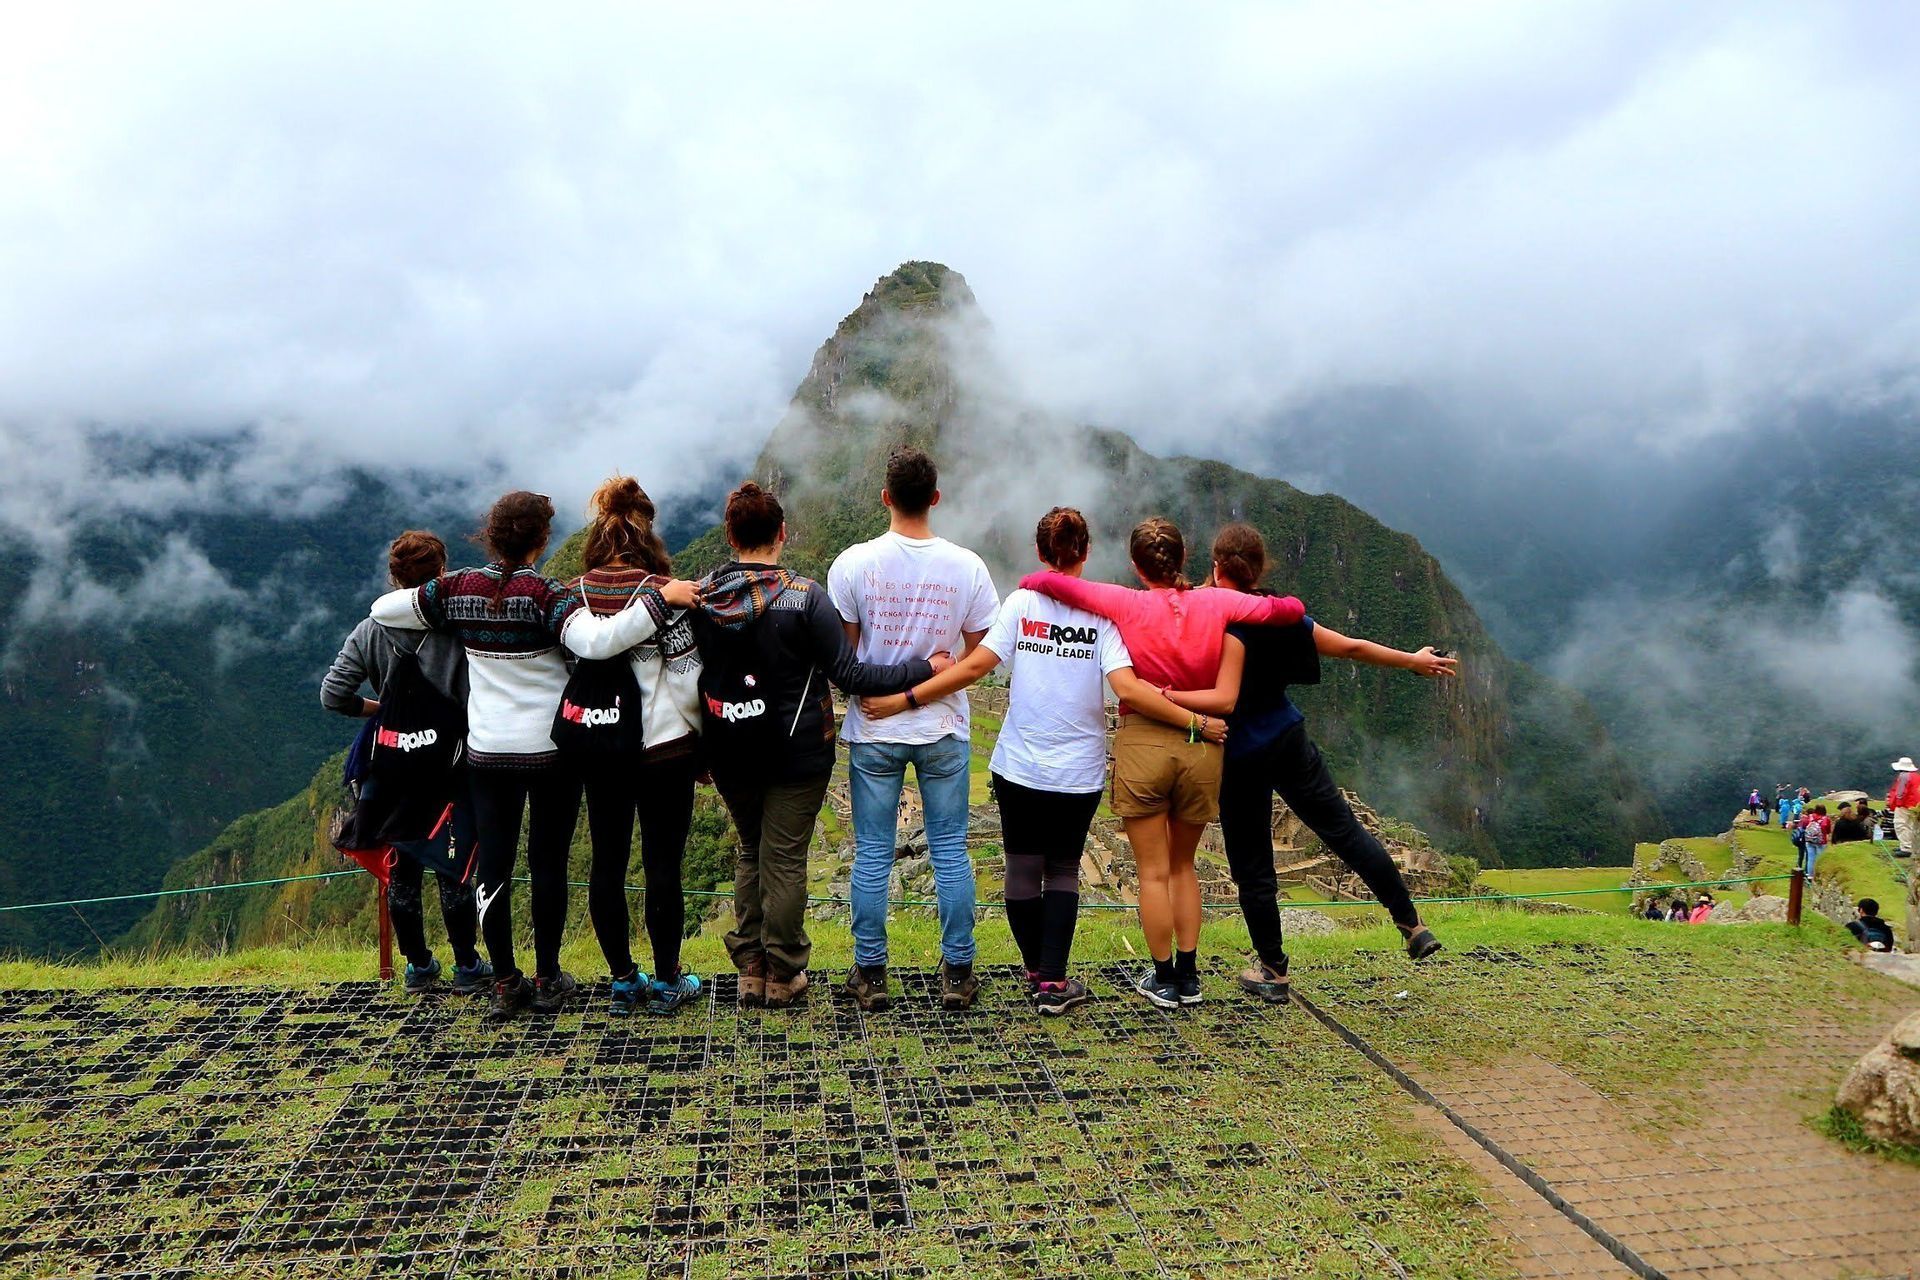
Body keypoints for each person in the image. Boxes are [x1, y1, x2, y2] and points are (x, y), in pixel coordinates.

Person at [860, 507, 1227, 1015]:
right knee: (1063, 871)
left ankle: (1036, 970)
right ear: (1086, 552)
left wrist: (907, 699)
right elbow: (1125, 687)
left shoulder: (1022, 604)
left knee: (1021, 870)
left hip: (1020, 767)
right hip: (1078, 771)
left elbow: (974, 668)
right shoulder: (1103, 615)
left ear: (1039, 553)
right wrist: (1196, 721)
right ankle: (1053, 982)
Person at [372, 491, 699, 1022]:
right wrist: (661, 602)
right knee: (548, 862)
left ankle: (504, 980)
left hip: (487, 750)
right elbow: (597, 642)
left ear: (490, 534)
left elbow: (383, 609)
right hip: (551, 751)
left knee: (494, 865)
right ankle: (548, 975)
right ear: (543, 540)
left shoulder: (460, 590)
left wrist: (439, 606)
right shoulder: (546, 596)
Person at [1154, 524, 1452, 1003]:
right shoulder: (1283, 616)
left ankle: (1272, 970)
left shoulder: (1217, 622)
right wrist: (1411, 661)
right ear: (1259, 568)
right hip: (1289, 737)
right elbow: (1352, 647)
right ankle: (1411, 923)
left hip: (1240, 752)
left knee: (1253, 868)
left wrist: (1158, 695)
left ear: (1215, 566)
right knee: (1345, 832)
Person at [1019, 517, 1305, 1009]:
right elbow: (1291, 609)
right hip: (1202, 746)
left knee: (1151, 873)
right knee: (1183, 867)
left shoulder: (1124, 601)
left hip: (1145, 745)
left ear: (1135, 565)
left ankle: (1163, 979)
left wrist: (1029, 581)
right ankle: (1191, 978)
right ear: (1184, 558)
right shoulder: (1218, 601)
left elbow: (1046, 581)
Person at [692, 482, 941, 1010]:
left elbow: (687, 674)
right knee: (783, 858)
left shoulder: (702, 599)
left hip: (729, 746)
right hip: (795, 751)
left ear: (730, 534)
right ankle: (783, 973)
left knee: (750, 851)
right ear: (782, 533)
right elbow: (852, 673)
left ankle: (750, 971)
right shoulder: (804, 598)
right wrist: (924, 668)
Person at [827, 447, 1001, 1013]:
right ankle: (957, 973)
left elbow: (845, 656)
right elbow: (978, 656)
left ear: (885, 498)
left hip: (874, 727)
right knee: (951, 849)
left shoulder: (852, 564)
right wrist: (928, 682)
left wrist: (893, 697)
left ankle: (871, 975)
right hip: (944, 726)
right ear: (935, 498)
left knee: (872, 852)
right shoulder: (967, 566)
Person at [321, 530, 488, 996]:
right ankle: (469, 967)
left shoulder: (370, 630)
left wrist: (378, 712)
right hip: (450, 765)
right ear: (442, 572)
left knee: (402, 867)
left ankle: (417, 968)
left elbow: (333, 695)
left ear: (393, 577)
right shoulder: (456, 629)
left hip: (389, 766)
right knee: (453, 867)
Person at [570, 477, 706, 1015]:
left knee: (607, 863)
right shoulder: (666, 596)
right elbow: (687, 677)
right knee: (662, 865)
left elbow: (574, 658)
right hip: (664, 750)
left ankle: (624, 979)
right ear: (646, 529)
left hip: (601, 748)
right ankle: (670, 979)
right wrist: (702, 748)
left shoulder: (573, 594)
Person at [1888, 757, 1919, 859]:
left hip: (1905, 805)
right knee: (1911, 826)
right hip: (1915, 805)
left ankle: (1906, 848)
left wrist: (1895, 804)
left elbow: (1900, 793)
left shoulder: (1903, 776)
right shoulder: (1916, 776)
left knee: (1901, 824)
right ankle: (1910, 847)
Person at [1798, 803, 1831, 878]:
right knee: (1819, 859)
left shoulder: (1810, 816)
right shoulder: (1826, 819)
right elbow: (1828, 831)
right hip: (1821, 841)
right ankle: (1818, 876)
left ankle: (1810, 875)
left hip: (1809, 840)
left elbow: (1805, 825)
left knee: (1810, 858)